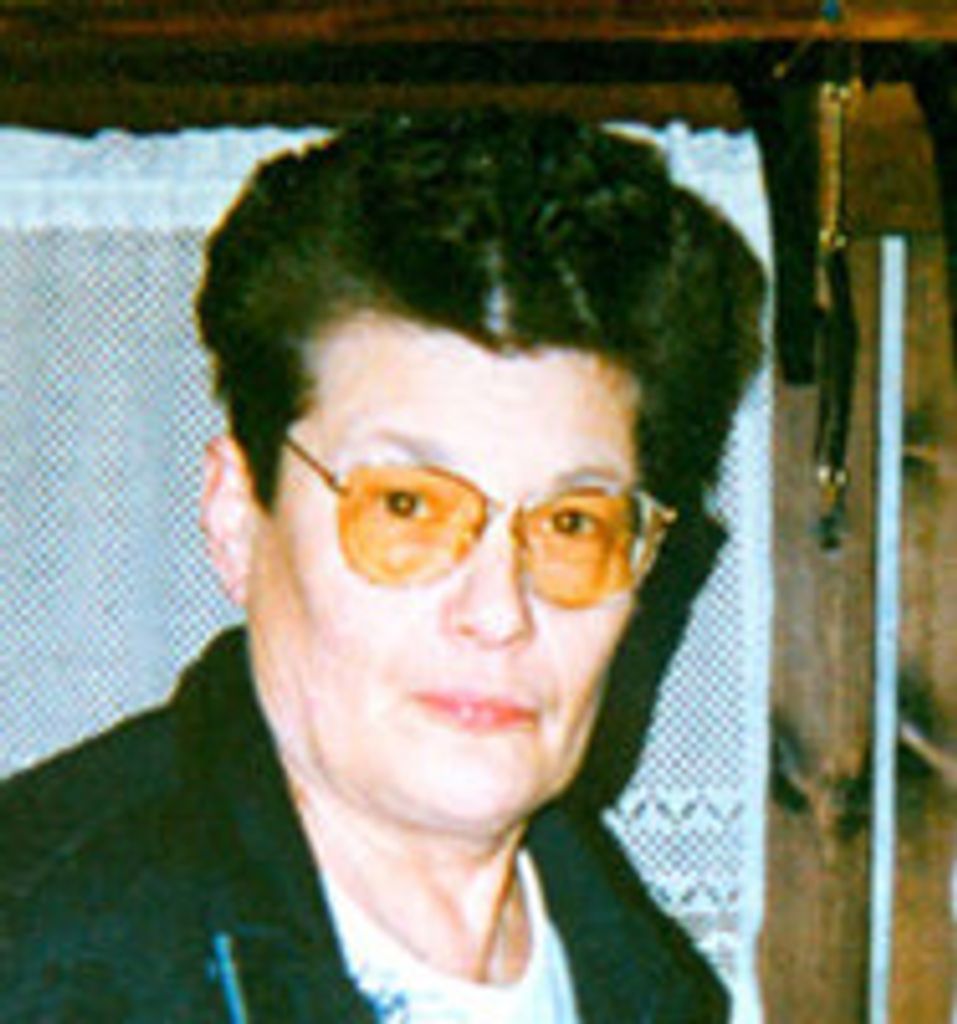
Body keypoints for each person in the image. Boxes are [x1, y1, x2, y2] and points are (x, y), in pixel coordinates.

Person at [0, 108, 764, 1022]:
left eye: (570, 523)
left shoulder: (645, 983)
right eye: (406, 507)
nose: (498, 612)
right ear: (237, 518)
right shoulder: (44, 954)